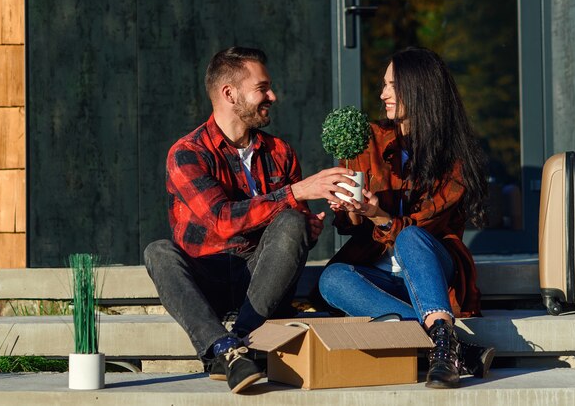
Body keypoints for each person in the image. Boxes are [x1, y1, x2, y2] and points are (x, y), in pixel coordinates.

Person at [144, 47, 355, 394]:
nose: (272, 96)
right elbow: (222, 221)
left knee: (292, 222)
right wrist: (296, 193)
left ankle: (240, 342)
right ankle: (223, 347)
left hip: (262, 281)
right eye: (263, 88)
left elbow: (290, 223)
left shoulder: (281, 152)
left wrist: (307, 226)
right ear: (230, 93)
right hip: (207, 277)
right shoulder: (187, 153)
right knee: (157, 252)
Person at [318, 47, 493, 389]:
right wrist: (352, 210)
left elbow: (420, 228)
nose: (382, 93)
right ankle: (450, 347)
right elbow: (348, 228)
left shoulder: (454, 158)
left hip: (431, 265)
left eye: (393, 85)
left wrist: (379, 215)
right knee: (332, 279)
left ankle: (444, 352)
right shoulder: (369, 140)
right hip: (380, 270)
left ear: (420, 89)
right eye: (383, 84)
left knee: (410, 239)